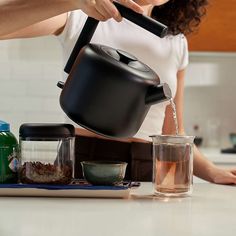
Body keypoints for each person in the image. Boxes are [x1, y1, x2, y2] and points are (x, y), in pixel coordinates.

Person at [1, 0, 236, 183]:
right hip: (84, 162)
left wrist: (214, 172)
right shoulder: (82, 15)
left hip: (149, 169)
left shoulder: (176, 43)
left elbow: (174, 132)